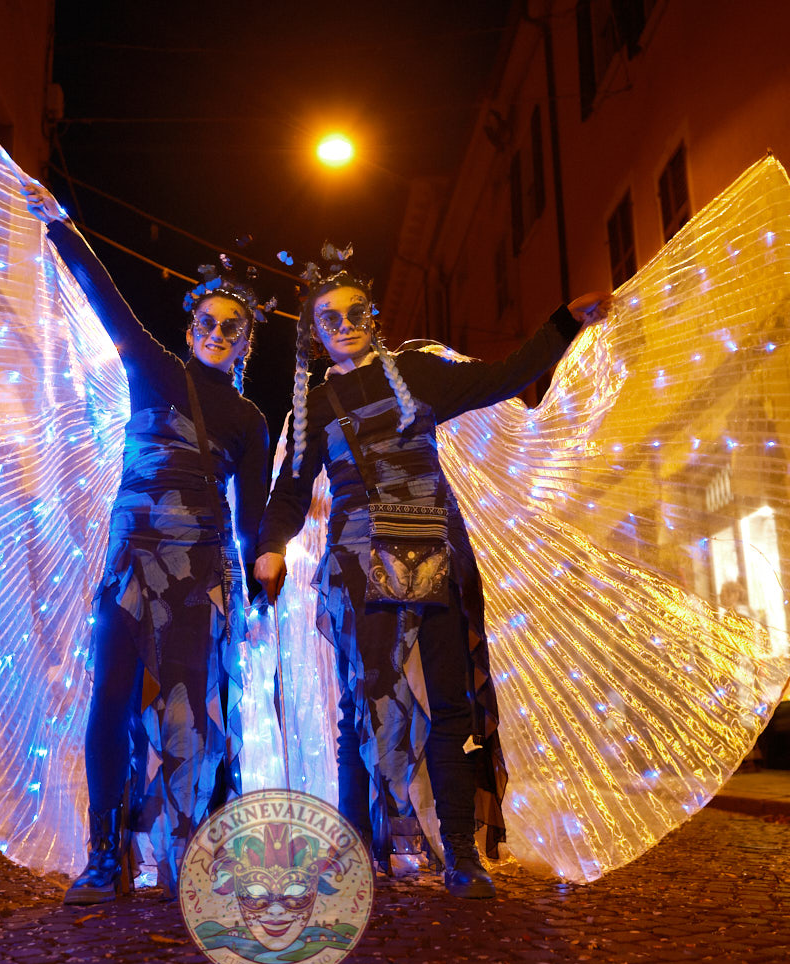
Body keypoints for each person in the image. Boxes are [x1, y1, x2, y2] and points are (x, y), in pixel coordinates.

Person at [254, 260, 609, 898]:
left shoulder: (416, 373)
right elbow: (291, 487)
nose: (345, 325)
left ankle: (460, 854)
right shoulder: (315, 404)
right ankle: (356, 850)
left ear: (373, 319)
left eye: (356, 313)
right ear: (315, 334)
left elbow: (503, 377)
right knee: (365, 705)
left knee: (450, 702)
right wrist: (271, 547)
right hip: (359, 562)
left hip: (433, 549)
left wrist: (564, 324)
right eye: (330, 318)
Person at [23, 182, 272, 903]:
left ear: (246, 342)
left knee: (192, 712)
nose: (217, 333)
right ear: (190, 328)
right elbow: (107, 302)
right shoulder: (153, 369)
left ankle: (189, 849)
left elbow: (252, 513)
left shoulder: (249, 420)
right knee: (111, 699)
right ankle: (105, 855)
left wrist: (260, 577)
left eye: (231, 327)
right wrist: (63, 227)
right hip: (131, 560)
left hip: (203, 573)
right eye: (207, 322)